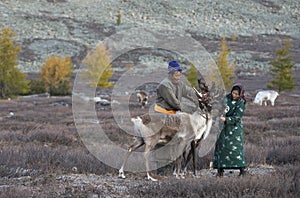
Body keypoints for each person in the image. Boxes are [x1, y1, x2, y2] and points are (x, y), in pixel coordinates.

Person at [212, 83, 247, 177]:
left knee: (236, 149)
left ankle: (242, 169)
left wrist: (227, 119)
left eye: (237, 94)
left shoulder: (241, 102)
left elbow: (237, 117)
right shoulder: (225, 98)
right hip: (222, 128)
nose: (234, 95)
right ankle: (220, 170)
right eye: (233, 92)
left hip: (234, 129)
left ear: (240, 94)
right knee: (221, 147)